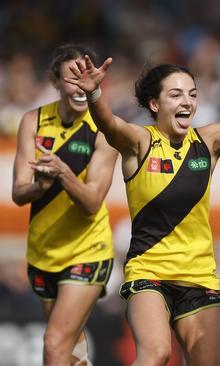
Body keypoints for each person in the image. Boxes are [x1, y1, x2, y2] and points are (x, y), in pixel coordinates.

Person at [64, 56, 220, 365]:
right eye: (175, 95)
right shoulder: (140, 142)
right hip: (149, 273)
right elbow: (109, 123)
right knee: (156, 353)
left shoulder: (208, 142)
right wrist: (94, 93)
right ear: (154, 104)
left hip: (199, 276)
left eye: (192, 94)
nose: (187, 101)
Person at [12, 44, 118, 366]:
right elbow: (18, 193)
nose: (80, 85)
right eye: (72, 77)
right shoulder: (34, 121)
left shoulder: (105, 129)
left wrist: (62, 173)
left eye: (86, 76)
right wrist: (40, 187)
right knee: (72, 349)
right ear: (55, 82)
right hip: (44, 252)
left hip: (88, 249)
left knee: (54, 342)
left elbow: (92, 202)